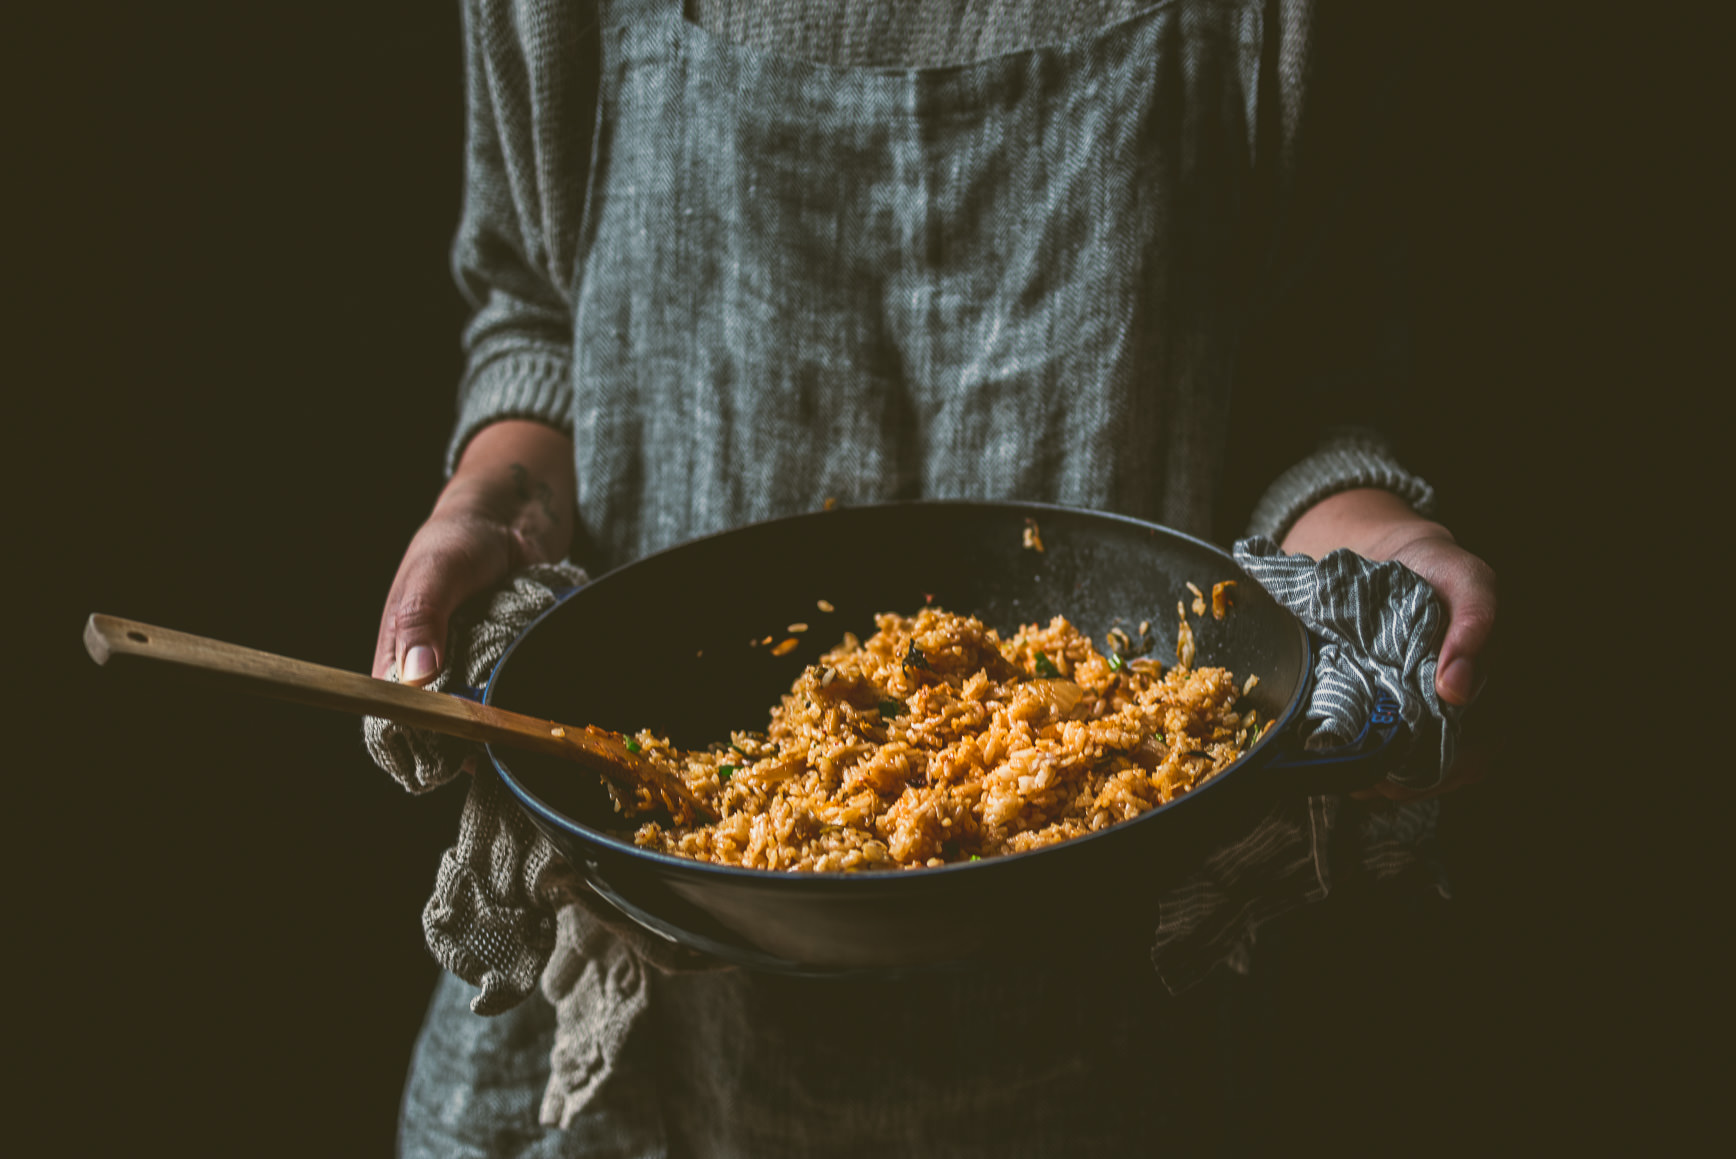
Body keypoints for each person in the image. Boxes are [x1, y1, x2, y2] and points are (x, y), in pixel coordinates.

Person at [373, 1, 1498, 1153]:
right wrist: (493, 505)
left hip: (1132, 1021)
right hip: (652, 1023)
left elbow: (1307, 377)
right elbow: (537, 315)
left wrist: (1374, 557)